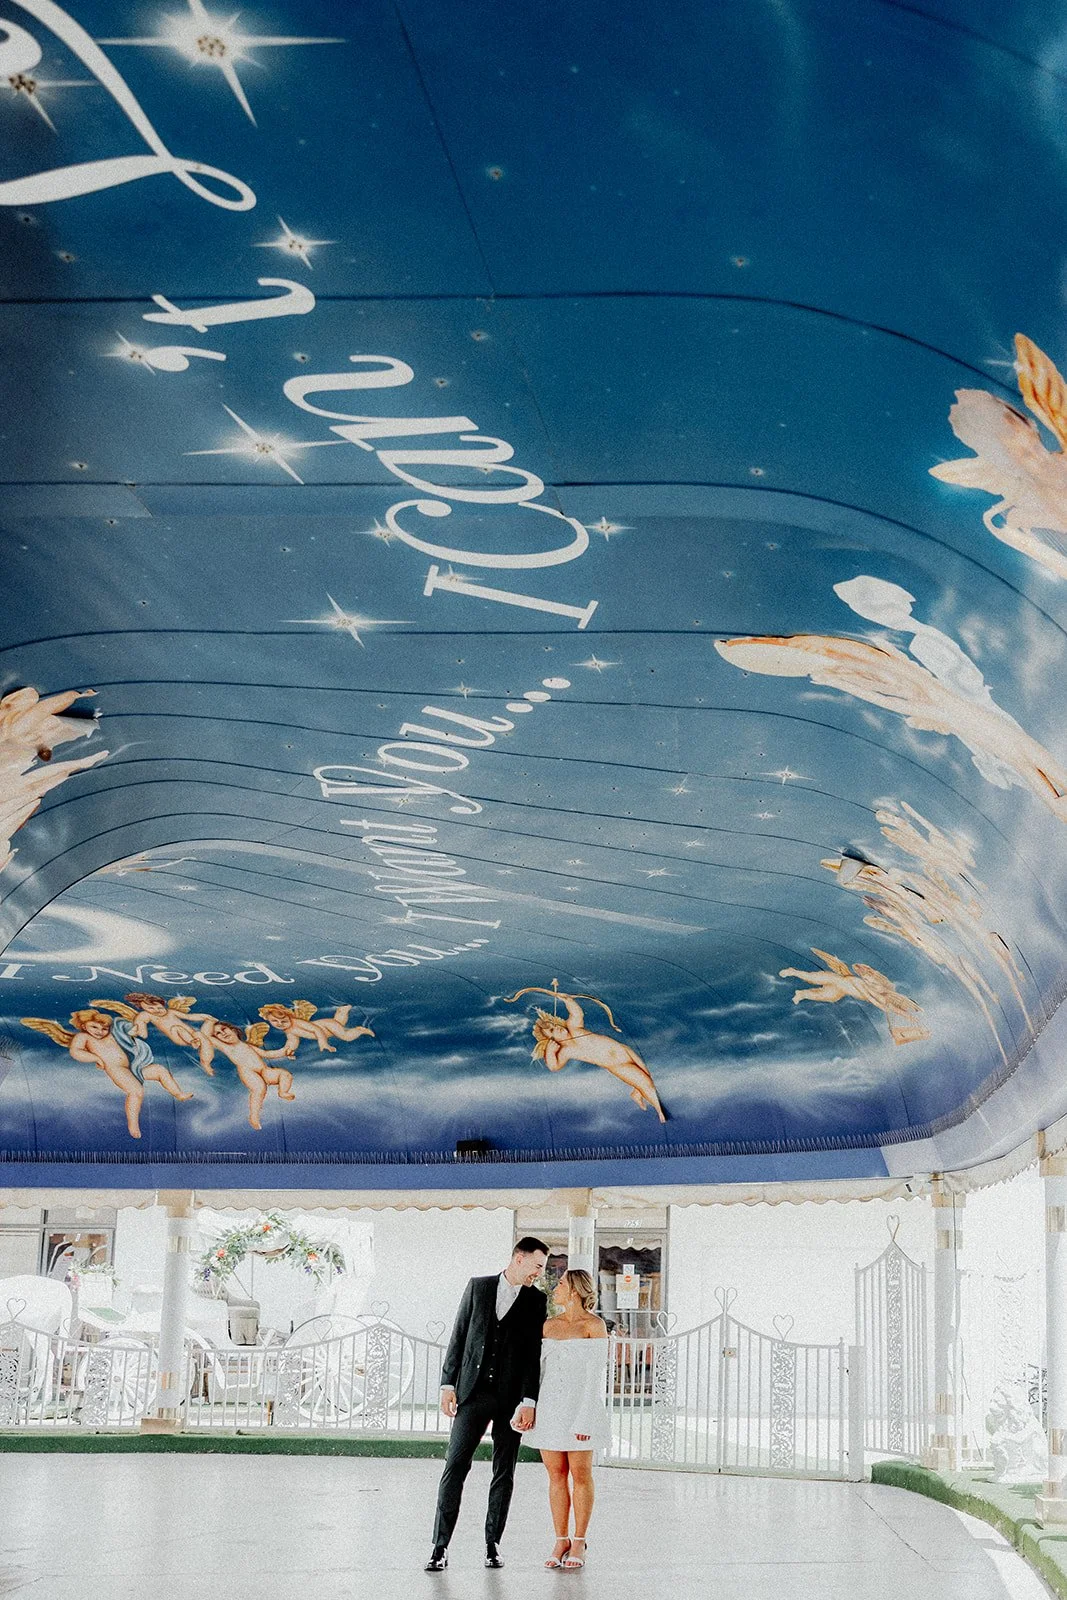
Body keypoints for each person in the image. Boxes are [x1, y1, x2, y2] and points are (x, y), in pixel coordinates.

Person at [426, 1237, 549, 1572]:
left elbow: (532, 1355)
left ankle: (493, 1544)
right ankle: (439, 1547)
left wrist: (529, 1400)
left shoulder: (536, 1300)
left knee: (504, 1471)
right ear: (519, 1258)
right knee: (455, 1465)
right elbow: (459, 1335)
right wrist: (447, 1384)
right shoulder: (478, 1287)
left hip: (511, 1400)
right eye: (537, 1266)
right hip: (472, 1393)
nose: (539, 1273)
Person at [525, 1268, 610, 1571]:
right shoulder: (548, 1325)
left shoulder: (594, 1326)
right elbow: (536, 1373)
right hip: (550, 1408)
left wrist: (585, 1419)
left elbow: (595, 1377)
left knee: (581, 1473)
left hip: (580, 1408)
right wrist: (529, 1407)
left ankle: (579, 1541)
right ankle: (560, 1539)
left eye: (560, 1284)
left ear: (574, 1289)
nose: (555, 1289)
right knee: (556, 1474)